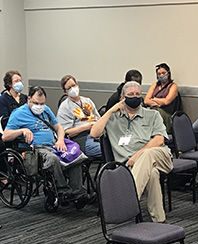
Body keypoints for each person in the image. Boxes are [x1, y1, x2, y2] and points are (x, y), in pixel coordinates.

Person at [90, 81, 173, 223]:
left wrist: (137, 155)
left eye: (137, 94)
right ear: (122, 97)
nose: (135, 97)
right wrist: (110, 111)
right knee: (152, 173)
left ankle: (126, 201)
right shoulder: (112, 119)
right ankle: (159, 220)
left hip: (160, 156)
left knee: (147, 155)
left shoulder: (152, 115)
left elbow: (159, 140)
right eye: (130, 95)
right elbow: (94, 133)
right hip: (132, 165)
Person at [2, 85, 89, 208]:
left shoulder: (46, 109)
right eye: (36, 103)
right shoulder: (18, 114)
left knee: (75, 156)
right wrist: (22, 131)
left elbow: (59, 127)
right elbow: (5, 136)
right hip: (35, 149)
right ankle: (63, 191)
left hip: (53, 145)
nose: (39, 106)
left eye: (42, 103)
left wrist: (60, 140)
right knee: (52, 158)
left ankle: (78, 193)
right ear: (29, 99)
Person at [57, 75, 101, 157]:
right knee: (106, 150)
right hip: (81, 139)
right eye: (69, 88)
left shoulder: (87, 101)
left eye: (73, 85)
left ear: (77, 84)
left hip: (96, 135)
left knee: (115, 146)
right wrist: (86, 127)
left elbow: (99, 119)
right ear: (65, 92)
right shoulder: (65, 107)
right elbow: (66, 132)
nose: (73, 89)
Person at [144, 63, 180, 133]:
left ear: (168, 73)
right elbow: (146, 100)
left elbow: (167, 101)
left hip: (167, 114)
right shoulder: (154, 85)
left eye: (163, 73)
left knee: (156, 112)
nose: (161, 75)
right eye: (159, 74)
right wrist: (157, 104)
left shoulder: (173, 86)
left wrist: (154, 99)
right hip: (154, 109)